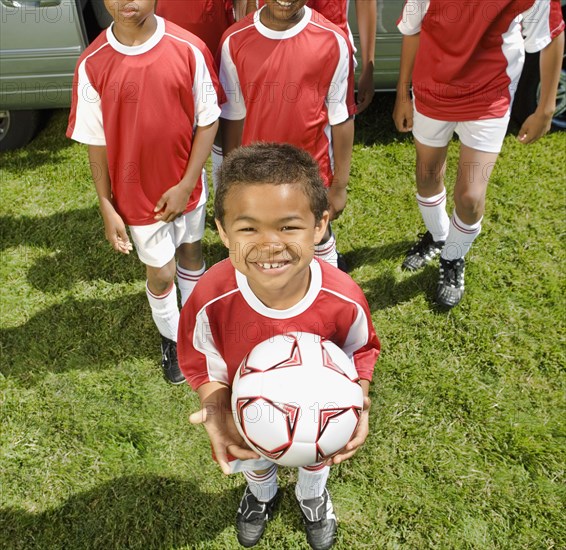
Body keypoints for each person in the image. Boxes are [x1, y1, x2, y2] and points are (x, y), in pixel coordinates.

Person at [177, 143, 380, 549]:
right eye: (248, 228)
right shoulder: (211, 295)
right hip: (246, 412)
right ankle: (261, 493)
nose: (269, 244)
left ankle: (311, 494)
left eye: (288, 227)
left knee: (316, 453)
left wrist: (355, 401)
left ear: (320, 226)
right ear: (221, 230)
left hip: (322, 414)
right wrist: (217, 405)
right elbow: (200, 359)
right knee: (253, 455)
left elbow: (361, 350)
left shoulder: (343, 296)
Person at [66, 0, 223, 383]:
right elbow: (97, 143)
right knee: (162, 273)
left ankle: (198, 324)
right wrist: (107, 205)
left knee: (191, 253)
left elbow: (208, 120)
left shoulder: (188, 49)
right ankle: (173, 338)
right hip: (138, 199)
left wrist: (186, 183)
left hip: (186, 187)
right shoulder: (93, 62)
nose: (125, 2)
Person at [393, 0, 564, 308]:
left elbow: (550, 34)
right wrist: (403, 93)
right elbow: (413, 29)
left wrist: (546, 108)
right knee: (427, 176)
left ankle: (453, 256)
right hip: (432, 91)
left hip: (488, 99)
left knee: (471, 197)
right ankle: (438, 235)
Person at [217, 0, 357, 270]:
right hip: (255, 174)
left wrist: (339, 185)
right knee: (268, 241)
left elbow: (342, 119)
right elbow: (233, 117)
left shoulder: (332, 40)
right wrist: (230, 179)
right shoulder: (234, 41)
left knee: (312, 229)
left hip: (311, 171)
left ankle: (327, 268)